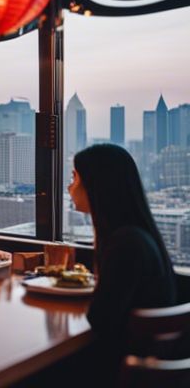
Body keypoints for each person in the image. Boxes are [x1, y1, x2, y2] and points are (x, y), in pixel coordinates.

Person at [69, 144, 176, 374]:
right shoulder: (135, 237)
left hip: (116, 372)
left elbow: (100, 320)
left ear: (96, 185)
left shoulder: (126, 245)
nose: (69, 187)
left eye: (74, 178)